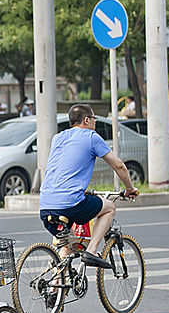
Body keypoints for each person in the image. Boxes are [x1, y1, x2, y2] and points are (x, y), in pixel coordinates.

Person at [38, 104, 139, 266]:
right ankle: (92, 251)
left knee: (66, 246)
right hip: (70, 203)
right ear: (86, 120)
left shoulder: (58, 138)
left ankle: (55, 288)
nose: (95, 123)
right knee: (109, 208)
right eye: (94, 119)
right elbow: (119, 165)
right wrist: (130, 189)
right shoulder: (91, 136)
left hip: (45, 205)